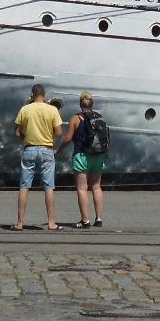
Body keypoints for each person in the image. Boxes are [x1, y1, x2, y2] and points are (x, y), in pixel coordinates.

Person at [14, 84, 64, 232]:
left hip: (29, 149)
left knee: (24, 186)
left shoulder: (25, 109)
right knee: (48, 187)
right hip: (46, 150)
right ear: (44, 95)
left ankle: (19, 222)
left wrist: (27, 136)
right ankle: (51, 222)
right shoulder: (52, 109)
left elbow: (17, 133)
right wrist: (47, 135)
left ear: (32, 94)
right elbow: (59, 132)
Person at [57, 91, 107, 228]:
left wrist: (59, 150)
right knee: (96, 187)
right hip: (98, 155)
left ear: (80, 104)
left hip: (81, 156)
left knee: (82, 189)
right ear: (92, 103)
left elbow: (67, 138)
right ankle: (99, 219)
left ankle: (85, 220)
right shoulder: (99, 117)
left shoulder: (76, 118)